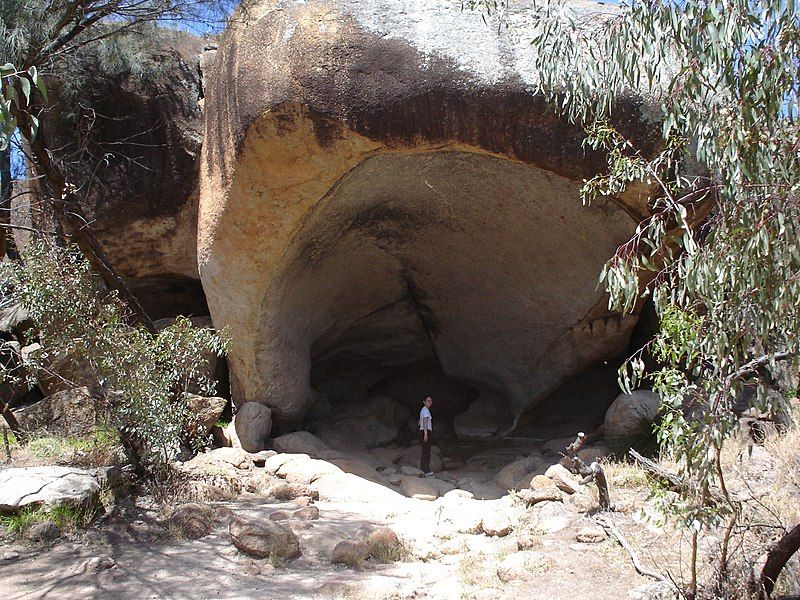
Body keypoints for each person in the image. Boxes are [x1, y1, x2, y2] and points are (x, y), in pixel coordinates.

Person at [418, 396, 433, 476]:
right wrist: (426, 434)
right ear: (424, 402)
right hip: (426, 431)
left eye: (430, 401)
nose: (429, 402)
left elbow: (419, 422)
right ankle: (426, 471)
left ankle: (424, 469)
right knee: (426, 451)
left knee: (425, 450)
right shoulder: (425, 411)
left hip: (423, 431)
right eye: (427, 400)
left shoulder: (423, 410)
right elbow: (424, 421)